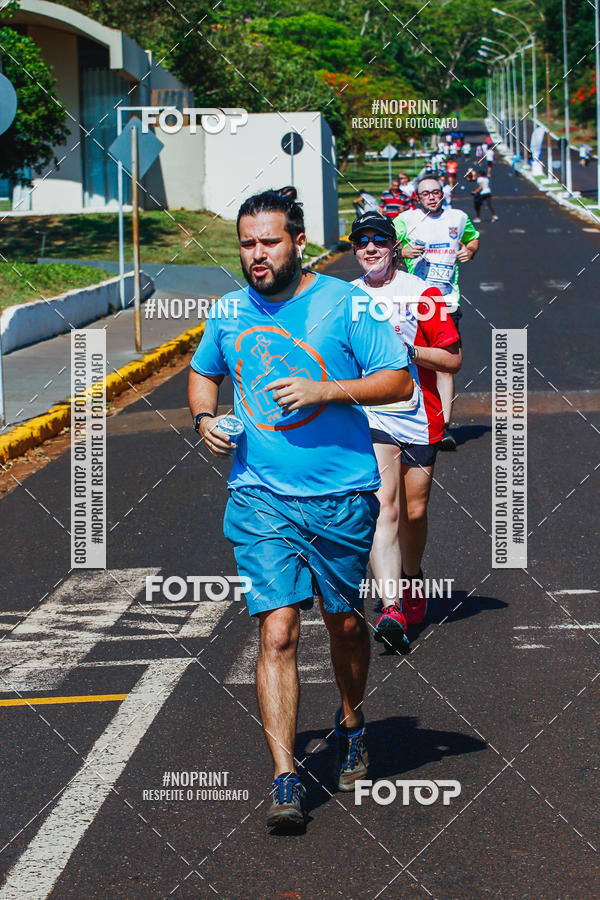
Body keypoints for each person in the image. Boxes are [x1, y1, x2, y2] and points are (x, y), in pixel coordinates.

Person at [188, 190, 413, 832]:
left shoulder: (346, 304)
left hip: (340, 496)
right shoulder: (230, 310)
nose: (257, 256)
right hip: (260, 496)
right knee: (277, 629)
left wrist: (324, 389)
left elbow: (397, 379)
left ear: (298, 244)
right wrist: (204, 418)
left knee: (345, 626)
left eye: (269, 243)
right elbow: (204, 374)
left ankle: (351, 720)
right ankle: (286, 779)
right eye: (247, 244)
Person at [349, 212, 461, 644]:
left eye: (378, 240)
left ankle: (412, 577)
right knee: (386, 508)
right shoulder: (347, 298)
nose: (370, 248)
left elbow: (451, 359)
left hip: (419, 415)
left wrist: (410, 349)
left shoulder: (421, 294)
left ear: (394, 246)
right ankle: (392, 608)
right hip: (371, 416)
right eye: (361, 242)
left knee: (414, 511)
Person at [394, 175, 480, 450]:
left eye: (436, 192)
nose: (431, 197)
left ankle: (443, 428)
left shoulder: (458, 218)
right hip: (413, 301)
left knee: (444, 364)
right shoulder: (405, 220)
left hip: (446, 302)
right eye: (425, 194)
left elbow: (473, 239)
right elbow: (386, 248)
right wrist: (403, 251)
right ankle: (409, 421)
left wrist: (470, 251)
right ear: (417, 197)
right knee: (410, 362)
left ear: (443, 194)